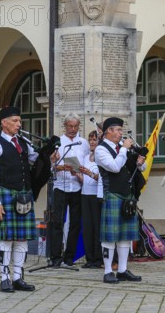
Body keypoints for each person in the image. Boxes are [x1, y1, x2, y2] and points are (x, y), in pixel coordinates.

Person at [0, 106, 38, 292]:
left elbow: (35, 158)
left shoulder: (23, 141)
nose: (19, 124)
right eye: (15, 121)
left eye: (19, 120)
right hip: (6, 194)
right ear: (4, 123)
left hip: (24, 195)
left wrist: (49, 154)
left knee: (22, 239)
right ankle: (4, 277)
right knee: (7, 239)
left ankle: (17, 276)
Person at [95, 117, 145, 283]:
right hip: (113, 195)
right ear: (109, 131)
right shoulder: (101, 150)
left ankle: (122, 270)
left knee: (125, 236)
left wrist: (139, 162)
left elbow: (138, 168)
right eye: (118, 130)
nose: (121, 133)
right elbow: (115, 167)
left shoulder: (121, 148)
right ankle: (108, 271)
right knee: (110, 237)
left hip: (127, 196)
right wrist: (124, 149)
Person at [50, 113, 89, 267]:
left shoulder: (83, 143)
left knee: (75, 224)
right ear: (65, 126)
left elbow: (86, 163)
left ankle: (69, 257)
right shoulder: (58, 142)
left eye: (75, 126)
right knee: (57, 222)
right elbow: (51, 167)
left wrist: (79, 171)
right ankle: (55, 257)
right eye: (70, 126)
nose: (73, 129)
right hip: (60, 186)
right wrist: (58, 165)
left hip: (77, 187)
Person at [80, 130, 103, 268]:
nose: (92, 142)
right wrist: (77, 174)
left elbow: (101, 178)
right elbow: (84, 179)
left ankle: (98, 258)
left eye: (95, 139)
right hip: (85, 194)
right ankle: (89, 258)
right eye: (90, 140)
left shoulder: (101, 158)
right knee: (87, 227)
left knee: (96, 227)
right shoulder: (85, 157)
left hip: (96, 195)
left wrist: (89, 172)